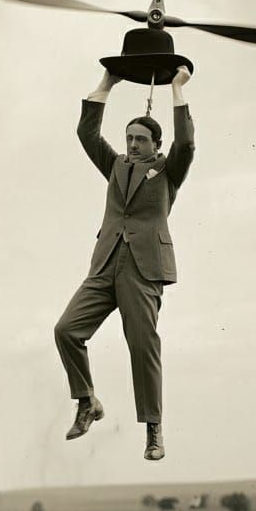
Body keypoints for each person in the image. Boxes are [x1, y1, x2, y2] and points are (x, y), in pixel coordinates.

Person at [54, 65, 195, 461]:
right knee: (66, 330)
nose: (132, 144)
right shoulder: (115, 166)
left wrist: (177, 90)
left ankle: (154, 431)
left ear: (155, 145)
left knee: (142, 346)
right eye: (129, 138)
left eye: (140, 139)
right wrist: (108, 83)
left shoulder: (169, 171)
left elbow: (186, 144)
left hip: (143, 269)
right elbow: (86, 133)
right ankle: (87, 402)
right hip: (104, 267)